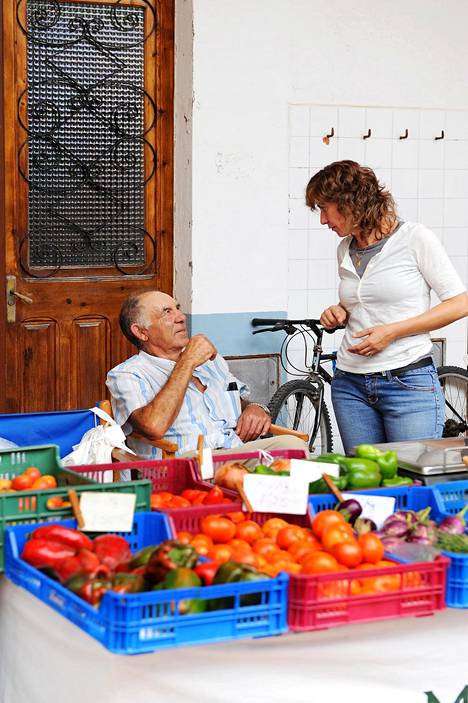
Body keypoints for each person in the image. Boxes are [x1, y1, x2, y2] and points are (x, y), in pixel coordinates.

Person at [305, 160, 468, 453]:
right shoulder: (345, 248)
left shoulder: (415, 239)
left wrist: (393, 332)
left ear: (349, 202)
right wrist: (340, 312)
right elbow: (360, 302)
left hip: (408, 383)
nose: (322, 221)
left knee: (411, 485)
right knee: (364, 486)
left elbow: (460, 303)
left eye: (324, 208)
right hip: (350, 385)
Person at [106, 290, 308, 459]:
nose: (181, 317)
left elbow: (236, 399)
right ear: (141, 332)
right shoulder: (127, 374)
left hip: (233, 452)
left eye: (177, 308)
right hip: (186, 462)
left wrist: (255, 407)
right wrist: (186, 362)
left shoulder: (210, 360)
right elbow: (153, 427)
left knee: (294, 448)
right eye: (167, 312)